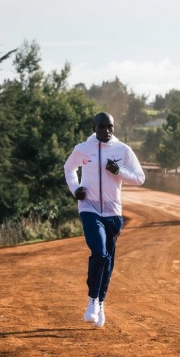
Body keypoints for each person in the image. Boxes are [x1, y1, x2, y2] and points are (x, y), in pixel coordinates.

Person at [63, 112, 145, 328]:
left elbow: (140, 178)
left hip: (113, 212)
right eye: (102, 127)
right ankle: (92, 301)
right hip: (88, 207)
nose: (107, 131)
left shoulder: (123, 150)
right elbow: (69, 168)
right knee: (99, 252)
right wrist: (76, 188)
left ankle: (100, 302)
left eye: (110, 127)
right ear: (94, 128)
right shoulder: (83, 148)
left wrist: (119, 171)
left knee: (107, 261)